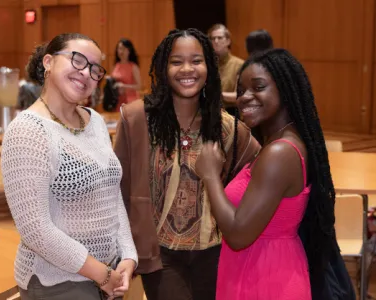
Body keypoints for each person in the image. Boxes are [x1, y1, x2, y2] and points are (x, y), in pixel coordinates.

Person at [196, 48, 355, 300]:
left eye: (258, 87)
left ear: (285, 90)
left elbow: (238, 235)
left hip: (266, 278)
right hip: (258, 269)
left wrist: (210, 175)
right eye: (240, 91)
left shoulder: (280, 153)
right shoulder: (277, 145)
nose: (245, 97)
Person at [113, 28, 259, 300]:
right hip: (160, 255)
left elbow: (259, 177)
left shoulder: (227, 128)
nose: (187, 69)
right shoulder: (137, 120)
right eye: (176, 61)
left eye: (197, 60)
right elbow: (116, 191)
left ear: (209, 67)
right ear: (163, 67)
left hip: (216, 253)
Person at [1, 33, 137, 300]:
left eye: (95, 69)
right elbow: (35, 230)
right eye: (77, 61)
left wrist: (129, 256)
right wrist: (101, 274)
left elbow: (111, 196)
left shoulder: (95, 121)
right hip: (57, 281)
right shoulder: (27, 131)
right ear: (48, 62)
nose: (86, 73)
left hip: (108, 273)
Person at [208, 24, 244, 116]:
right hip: (210, 113)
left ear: (228, 41)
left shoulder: (239, 64)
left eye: (220, 38)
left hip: (231, 114)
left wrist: (217, 94)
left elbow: (240, 96)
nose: (216, 41)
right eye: (213, 38)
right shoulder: (207, 65)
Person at [110, 38, 141, 110]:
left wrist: (124, 86)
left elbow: (139, 86)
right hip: (117, 100)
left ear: (129, 51)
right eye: (119, 49)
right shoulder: (116, 65)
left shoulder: (133, 66)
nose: (120, 51)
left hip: (130, 101)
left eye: (123, 49)